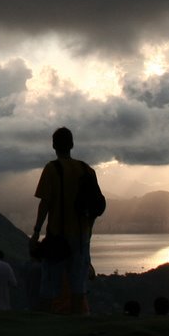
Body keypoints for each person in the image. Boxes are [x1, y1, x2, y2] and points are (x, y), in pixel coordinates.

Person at [30, 126, 102, 315]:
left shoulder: (52, 169)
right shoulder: (87, 170)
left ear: (54, 145)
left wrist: (36, 232)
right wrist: (87, 237)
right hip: (81, 237)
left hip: (58, 236)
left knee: (48, 286)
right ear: (72, 144)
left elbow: (45, 203)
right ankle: (77, 326)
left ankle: (46, 326)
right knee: (78, 287)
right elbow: (96, 208)